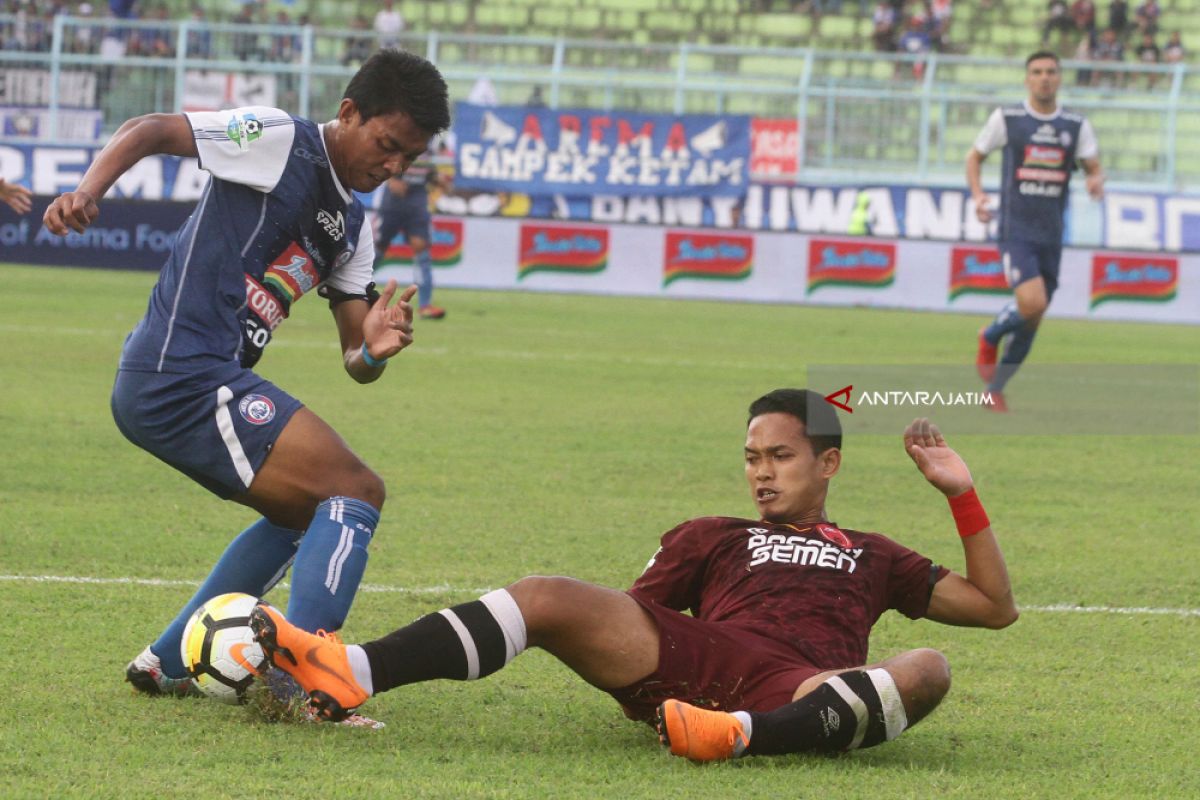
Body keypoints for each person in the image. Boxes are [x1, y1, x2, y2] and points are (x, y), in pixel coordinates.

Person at [248, 389, 1018, 761]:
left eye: (779, 457)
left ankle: (741, 738)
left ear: (829, 462)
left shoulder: (873, 552)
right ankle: (347, 671)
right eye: (752, 457)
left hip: (806, 682)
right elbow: (633, 614)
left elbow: (992, 608)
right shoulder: (713, 535)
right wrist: (637, 678)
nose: (762, 473)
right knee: (548, 593)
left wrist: (962, 493)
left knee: (926, 668)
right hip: (703, 655)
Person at [41, 51, 451, 721]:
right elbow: (149, 128)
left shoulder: (353, 229)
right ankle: (312, 683)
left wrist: (374, 350)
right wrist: (90, 190)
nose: (395, 167)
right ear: (349, 113)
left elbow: (355, 357)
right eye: (387, 145)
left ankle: (168, 663)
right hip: (179, 370)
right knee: (356, 490)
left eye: (409, 158)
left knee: (306, 512)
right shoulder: (280, 139)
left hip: (200, 380)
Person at [967, 51, 1104, 412]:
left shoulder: (1075, 125)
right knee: (1033, 302)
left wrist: (1095, 179)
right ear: (1027, 79)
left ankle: (994, 389)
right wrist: (979, 196)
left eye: (1051, 72)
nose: (1044, 78)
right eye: (1037, 72)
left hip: (1052, 234)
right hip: (1016, 230)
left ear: (1059, 78)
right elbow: (974, 156)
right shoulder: (1008, 118)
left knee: (1033, 318)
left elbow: (1093, 165)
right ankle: (991, 334)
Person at [372, 150, 446, 319]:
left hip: (417, 203)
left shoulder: (427, 147)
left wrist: (438, 180)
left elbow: (431, 173)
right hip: (392, 204)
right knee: (379, 248)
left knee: (422, 250)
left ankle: (425, 305)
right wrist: (391, 179)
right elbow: (384, 158)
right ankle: (352, 286)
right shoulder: (404, 139)